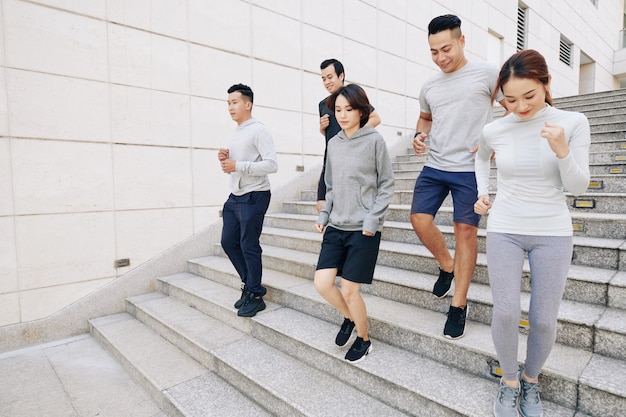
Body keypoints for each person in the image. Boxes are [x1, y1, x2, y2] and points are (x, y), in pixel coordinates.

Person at [474, 49, 590, 417]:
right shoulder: (495, 128)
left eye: (529, 96)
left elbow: (579, 187)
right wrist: (483, 191)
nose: (520, 106)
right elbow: (480, 156)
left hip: (552, 231)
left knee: (542, 318)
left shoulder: (571, 122)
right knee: (506, 313)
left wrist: (561, 152)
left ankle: (531, 381)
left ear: (546, 84)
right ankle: (509, 382)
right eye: (509, 99)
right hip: (505, 227)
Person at [410, 14, 505, 339]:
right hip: (436, 166)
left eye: (446, 48)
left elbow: (514, 109)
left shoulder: (488, 73)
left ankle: (458, 304)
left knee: (465, 231)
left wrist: (496, 140)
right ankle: (447, 265)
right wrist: (419, 136)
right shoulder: (430, 85)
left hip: (469, 168)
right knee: (419, 220)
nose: (441, 57)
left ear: (462, 41)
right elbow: (425, 120)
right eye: (434, 51)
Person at [314, 84, 394, 363]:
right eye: (338, 110)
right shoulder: (334, 144)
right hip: (337, 224)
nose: (343, 115)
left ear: (362, 111)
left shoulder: (374, 141)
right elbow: (331, 185)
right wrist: (324, 216)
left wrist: (373, 219)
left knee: (349, 288)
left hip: (364, 227)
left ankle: (364, 338)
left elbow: (386, 184)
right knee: (322, 283)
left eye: (349, 109)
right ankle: (349, 317)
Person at [218, 83, 278, 318]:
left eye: (234, 102)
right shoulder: (236, 132)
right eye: (228, 103)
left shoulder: (259, 130)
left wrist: (238, 165)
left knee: (248, 245)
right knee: (228, 242)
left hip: (255, 195)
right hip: (235, 197)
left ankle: (255, 296)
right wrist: (225, 158)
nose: (231, 107)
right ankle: (251, 285)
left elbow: (272, 164)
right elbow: (240, 162)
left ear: (248, 104)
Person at [317, 58, 382, 213]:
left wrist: (354, 135)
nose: (327, 82)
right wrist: (322, 127)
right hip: (330, 160)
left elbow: (376, 118)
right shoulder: (322, 104)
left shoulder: (352, 98)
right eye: (323, 79)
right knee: (321, 204)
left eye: (330, 77)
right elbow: (328, 133)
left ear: (341, 76)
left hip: (352, 159)